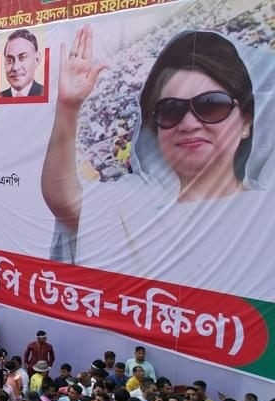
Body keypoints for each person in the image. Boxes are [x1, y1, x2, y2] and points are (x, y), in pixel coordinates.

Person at [42, 27, 266, 299]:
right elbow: (64, 200)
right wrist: (67, 106)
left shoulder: (264, 213)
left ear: (246, 122)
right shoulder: (133, 206)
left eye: (210, 105)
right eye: (171, 110)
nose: (189, 123)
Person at [0, 29, 44, 98]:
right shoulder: (0, 96)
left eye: (22, 57)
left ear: (37, 60)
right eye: (9, 60)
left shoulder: (45, 93)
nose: (15, 67)